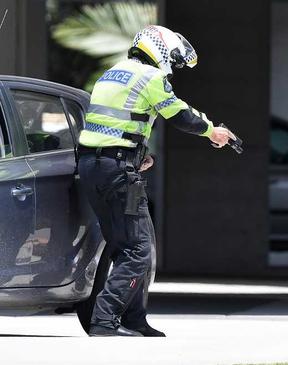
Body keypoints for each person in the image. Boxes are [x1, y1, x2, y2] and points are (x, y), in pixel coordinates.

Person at [77, 25, 235, 337]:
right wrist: (212, 131)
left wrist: (138, 157)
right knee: (139, 249)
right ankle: (105, 319)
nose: (172, 69)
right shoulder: (150, 77)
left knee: (131, 246)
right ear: (159, 50)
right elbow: (177, 113)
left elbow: (113, 125)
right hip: (118, 170)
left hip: (96, 166)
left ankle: (134, 320)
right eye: (173, 61)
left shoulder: (112, 74)